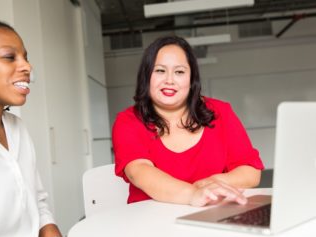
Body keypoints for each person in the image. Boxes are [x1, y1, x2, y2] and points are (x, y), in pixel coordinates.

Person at [112, 35, 264, 207]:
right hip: (151, 224)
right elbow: (138, 172)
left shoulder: (221, 112)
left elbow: (251, 172)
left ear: (191, 79)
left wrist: (210, 184)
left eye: (179, 72)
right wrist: (193, 194)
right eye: (160, 70)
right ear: (146, 76)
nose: (169, 80)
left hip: (212, 216)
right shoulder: (128, 121)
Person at [0, 19, 66, 237]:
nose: (27, 67)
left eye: (26, 58)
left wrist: (52, 235)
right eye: (9, 57)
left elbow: (38, 203)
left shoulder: (17, 127)